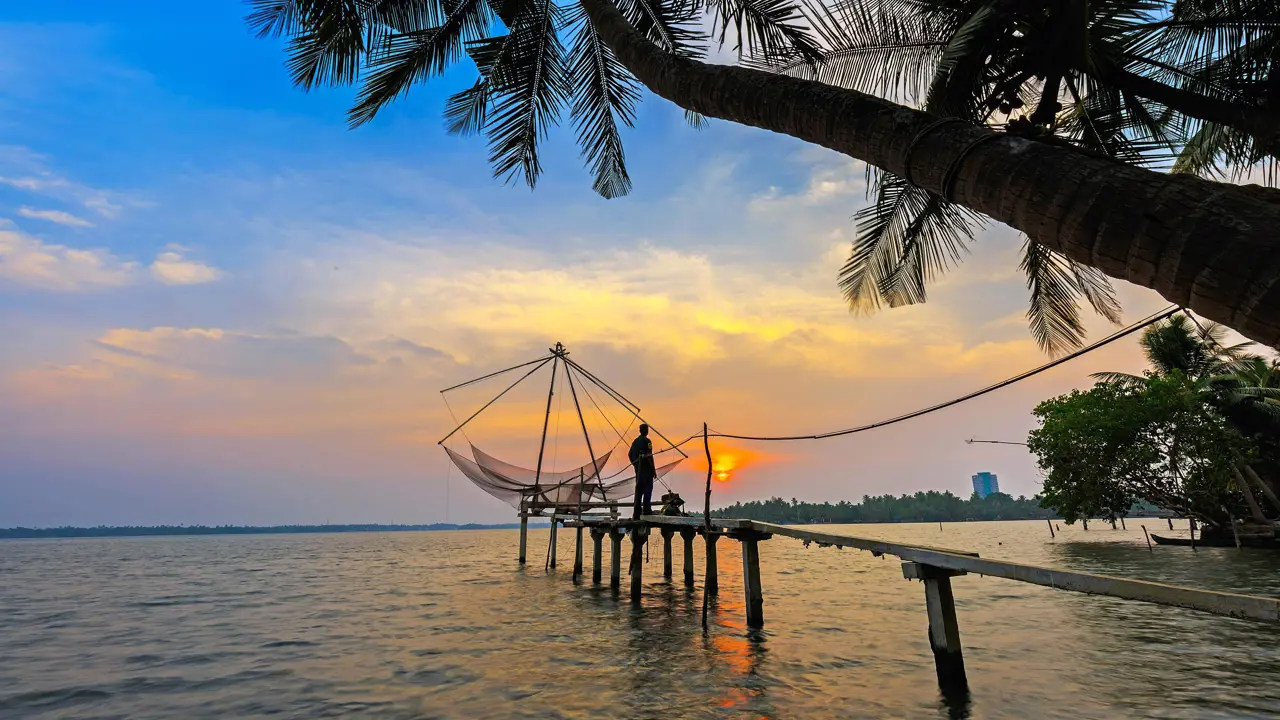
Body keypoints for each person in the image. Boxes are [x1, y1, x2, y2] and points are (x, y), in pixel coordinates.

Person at [629, 424, 657, 518]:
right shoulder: (647, 441)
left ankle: (636, 512)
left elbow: (629, 454)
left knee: (639, 489)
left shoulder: (635, 442)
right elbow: (649, 456)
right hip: (646, 470)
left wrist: (635, 464)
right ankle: (646, 510)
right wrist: (653, 470)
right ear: (646, 431)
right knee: (647, 489)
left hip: (638, 470)